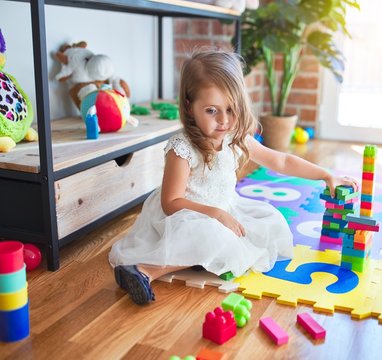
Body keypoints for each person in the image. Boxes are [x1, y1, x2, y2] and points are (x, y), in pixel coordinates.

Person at [109, 49, 359, 305]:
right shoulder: (182, 148)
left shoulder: (234, 138)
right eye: (211, 111)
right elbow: (171, 203)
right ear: (188, 106)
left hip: (226, 209)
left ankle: (195, 259)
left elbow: (280, 160)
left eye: (231, 109)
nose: (224, 120)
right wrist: (215, 214)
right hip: (185, 216)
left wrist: (325, 175)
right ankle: (145, 271)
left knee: (270, 222)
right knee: (213, 237)